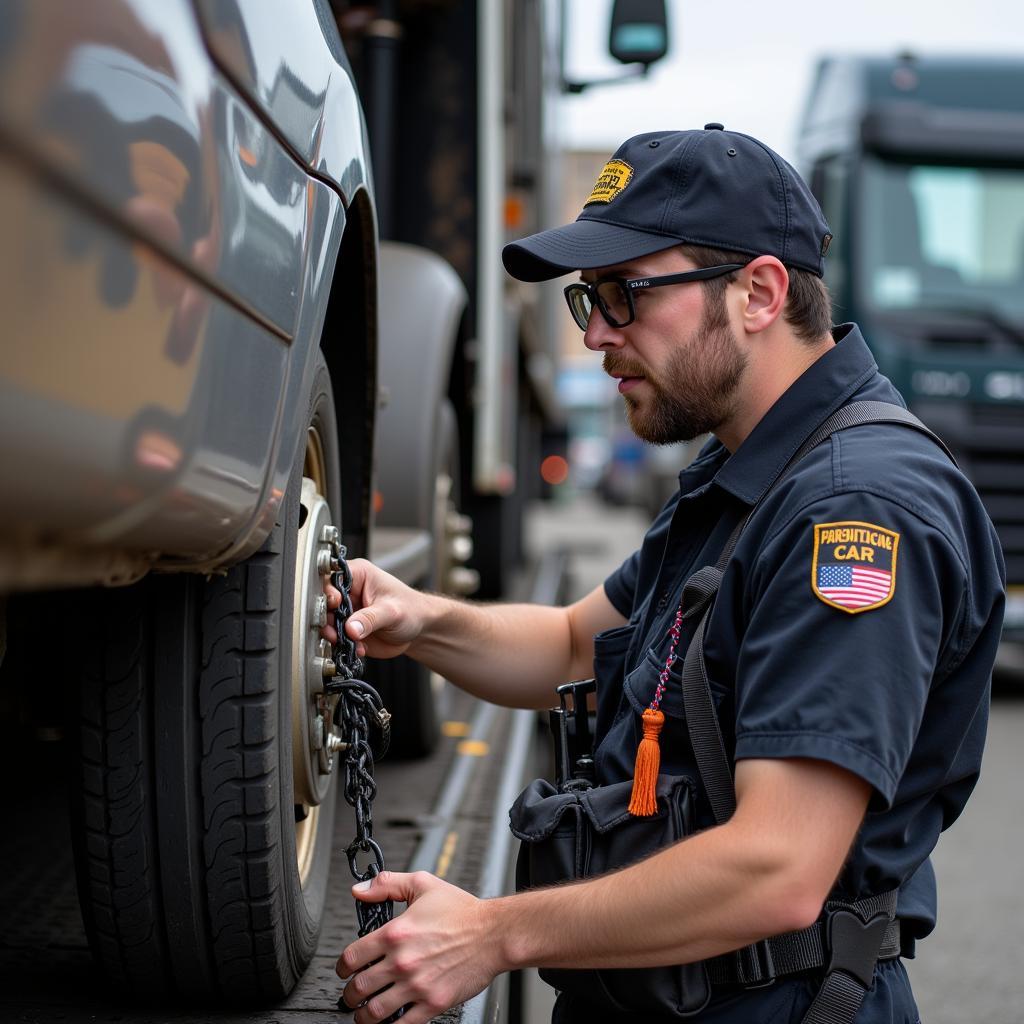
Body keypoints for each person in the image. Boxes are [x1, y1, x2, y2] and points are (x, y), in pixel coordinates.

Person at [330, 125, 1005, 1024]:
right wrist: (421, 620)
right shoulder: (747, 472)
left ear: (758, 293)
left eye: (626, 293)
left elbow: (778, 868)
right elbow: (576, 641)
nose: (599, 334)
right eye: (589, 299)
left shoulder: (854, 511)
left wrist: (493, 934)